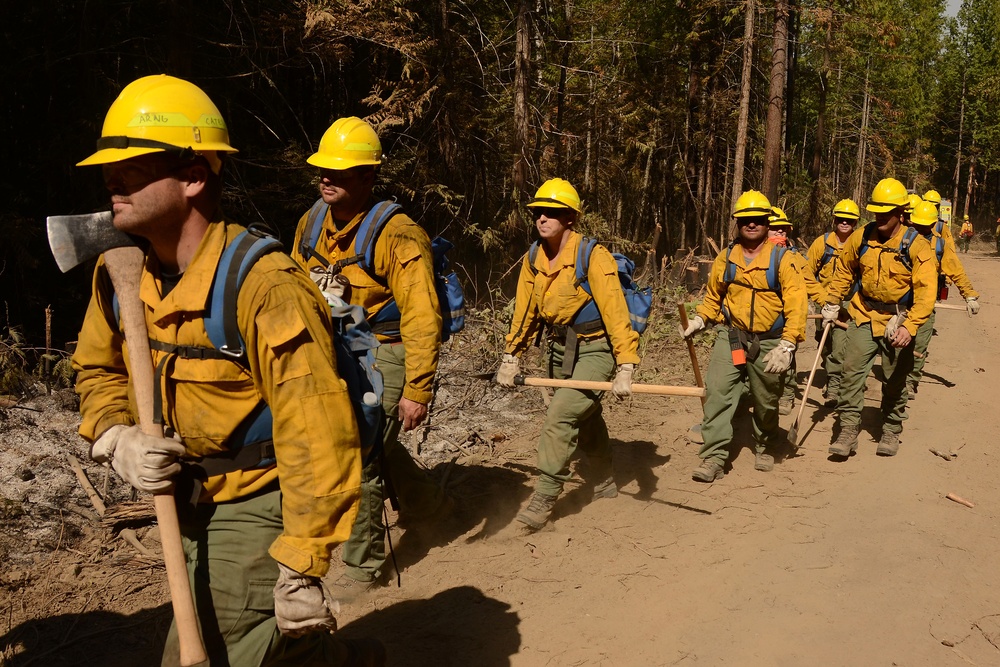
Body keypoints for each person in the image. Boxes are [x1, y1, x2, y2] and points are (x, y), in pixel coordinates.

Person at [72, 75, 385, 666]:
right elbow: (96, 370)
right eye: (110, 167)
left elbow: (317, 429)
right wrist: (117, 436)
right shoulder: (118, 275)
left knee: (206, 652)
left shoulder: (263, 285)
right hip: (185, 496)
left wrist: (301, 563)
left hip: (260, 496)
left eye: (136, 166)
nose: (114, 180)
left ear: (194, 176)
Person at [290, 117, 449, 589]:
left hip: (386, 350)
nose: (326, 178)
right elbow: (295, 289)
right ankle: (434, 509)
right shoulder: (311, 220)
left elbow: (423, 316)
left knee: (358, 453)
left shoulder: (398, 235)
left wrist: (418, 389)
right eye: (323, 168)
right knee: (377, 444)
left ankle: (363, 569)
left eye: (340, 172)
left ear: (368, 176)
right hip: (335, 348)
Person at [497, 178, 639, 529]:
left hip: (597, 349)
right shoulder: (534, 256)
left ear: (570, 218)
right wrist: (511, 354)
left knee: (561, 415)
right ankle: (605, 478)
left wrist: (625, 364)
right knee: (585, 416)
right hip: (560, 350)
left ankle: (544, 497)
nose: (542, 218)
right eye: (538, 212)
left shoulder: (593, 255)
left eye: (552, 213)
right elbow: (525, 310)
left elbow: (615, 311)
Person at [681, 190, 807, 482]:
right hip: (734, 337)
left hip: (770, 342)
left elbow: (797, 306)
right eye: (745, 220)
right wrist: (701, 318)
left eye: (758, 220)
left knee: (765, 398)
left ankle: (765, 443)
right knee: (719, 392)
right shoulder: (727, 258)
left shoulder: (783, 260)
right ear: (737, 223)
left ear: (766, 222)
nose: (752, 225)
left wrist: (787, 345)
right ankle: (714, 455)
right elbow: (714, 296)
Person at [821, 177, 937, 459]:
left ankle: (891, 427)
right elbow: (845, 272)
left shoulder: (917, 245)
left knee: (896, 378)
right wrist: (832, 302)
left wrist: (910, 326)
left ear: (901, 213)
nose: (880, 217)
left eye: (886, 212)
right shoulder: (861, 237)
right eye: (876, 211)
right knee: (851, 373)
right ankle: (848, 430)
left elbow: (926, 293)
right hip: (863, 313)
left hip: (899, 318)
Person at [905, 201, 980, 397]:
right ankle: (896, 380)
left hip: (925, 302)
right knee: (897, 344)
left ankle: (911, 380)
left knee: (920, 343)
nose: (920, 229)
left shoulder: (940, 245)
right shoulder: (901, 240)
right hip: (900, 302)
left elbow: (956, 270)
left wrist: (969, 295)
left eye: (924, 226)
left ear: (932, 224)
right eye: (916, 225)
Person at [766, 207, 826, 415]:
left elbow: (811, 283)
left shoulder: (794, 257)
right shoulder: (748, 255)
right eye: (775, 229)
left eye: (784, 229)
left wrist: (827, 303)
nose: (780, 233)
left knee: (786, 360)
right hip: (754, 321)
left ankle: (787, 394)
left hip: (784, 320)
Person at [806, 199, 860, 407]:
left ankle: (835, 386)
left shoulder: (860, 244)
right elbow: (807, 273)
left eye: (849, 220)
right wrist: (819, 299)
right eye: (841, 219)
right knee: (824, 344)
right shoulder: (822, 243)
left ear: (855, 223)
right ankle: (831, 372)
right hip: (825, 304)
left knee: (840, 348)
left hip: (848, 304)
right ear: (835, 219)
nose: (845, 223)